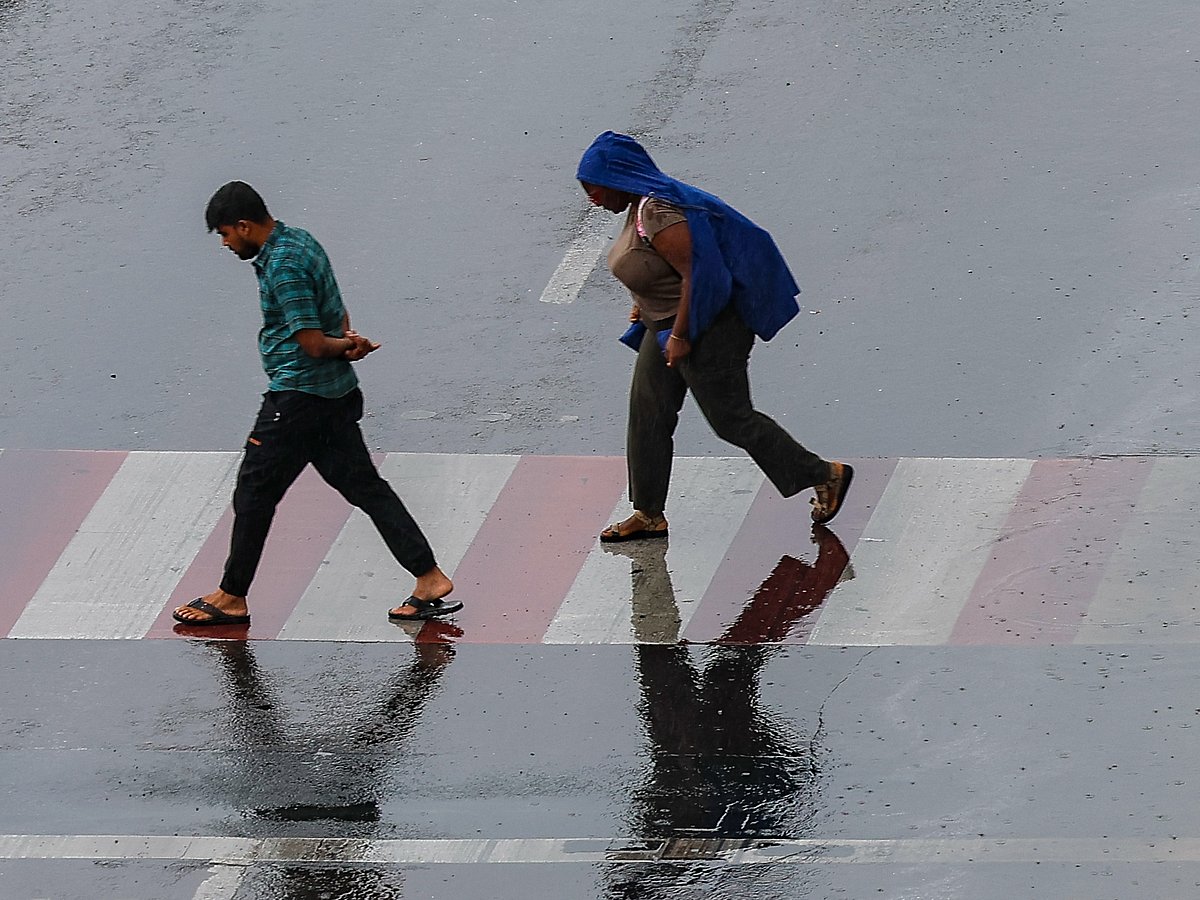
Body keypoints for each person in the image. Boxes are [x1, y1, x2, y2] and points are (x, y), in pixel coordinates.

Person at [172, 181, 459, 626]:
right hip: (334, 397)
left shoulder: (283, 266)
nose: (225, 244)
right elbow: (336, 312)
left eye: (225, 234)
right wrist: (348, 343)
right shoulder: (300, 241)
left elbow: (311, 343)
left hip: (297, 401)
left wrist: (345, 348)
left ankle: (231, 596)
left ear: (244, 226)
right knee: (366, 488)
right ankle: (429, 577)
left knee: (254, 493)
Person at [576, 131, 853, 542]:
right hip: (662, 324)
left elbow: (701, 275)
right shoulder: (638, 208)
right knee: (648, 414)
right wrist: (644, 303)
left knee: (731, 419)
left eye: (594, 189)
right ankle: (649, 513)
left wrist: (682, 335)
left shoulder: (659, 213)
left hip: (708, 326)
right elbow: (654, 267)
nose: (593, 200)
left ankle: (824, 474)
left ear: (617, 178)